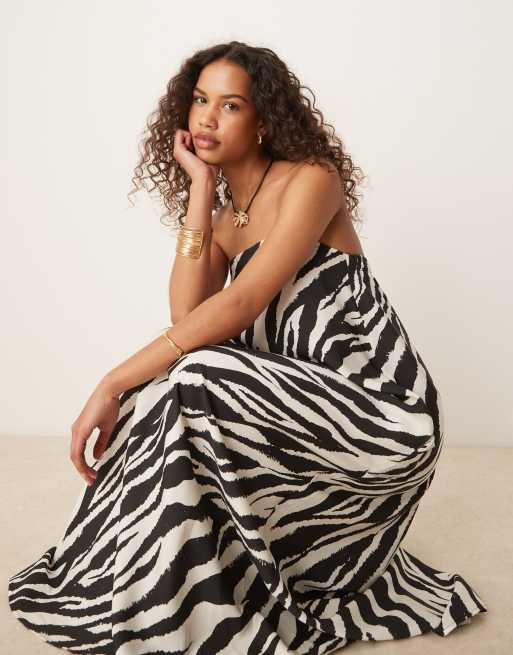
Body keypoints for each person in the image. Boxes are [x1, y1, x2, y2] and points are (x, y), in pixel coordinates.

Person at [8, 41, 487, 654]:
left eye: (230, 105)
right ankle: (142, 584)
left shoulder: (311, 179)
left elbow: (239, 304)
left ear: (264, 120)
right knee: (165, 388)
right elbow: (187, 318)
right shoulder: (225, 221)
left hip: (380, 413)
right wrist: (200, 189)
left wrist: (111, 380)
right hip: (300, 416)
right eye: (200, 100)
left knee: (193, 374)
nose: (208, 117)